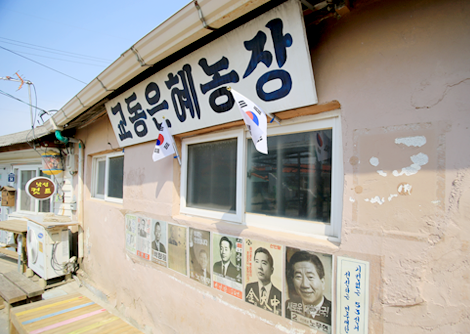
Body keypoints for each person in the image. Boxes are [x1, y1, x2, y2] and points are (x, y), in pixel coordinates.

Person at [285, 251, 331, 328]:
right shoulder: (288, 306)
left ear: (322, 282)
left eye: (310, 277)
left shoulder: (333, 312)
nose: (304, 285)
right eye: (298, 277)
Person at [245, 247, 282, 315]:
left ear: (272, 270)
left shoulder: (279, 295)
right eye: (257, 261)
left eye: (264, 263)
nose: (259, 267)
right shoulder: (249, 288)